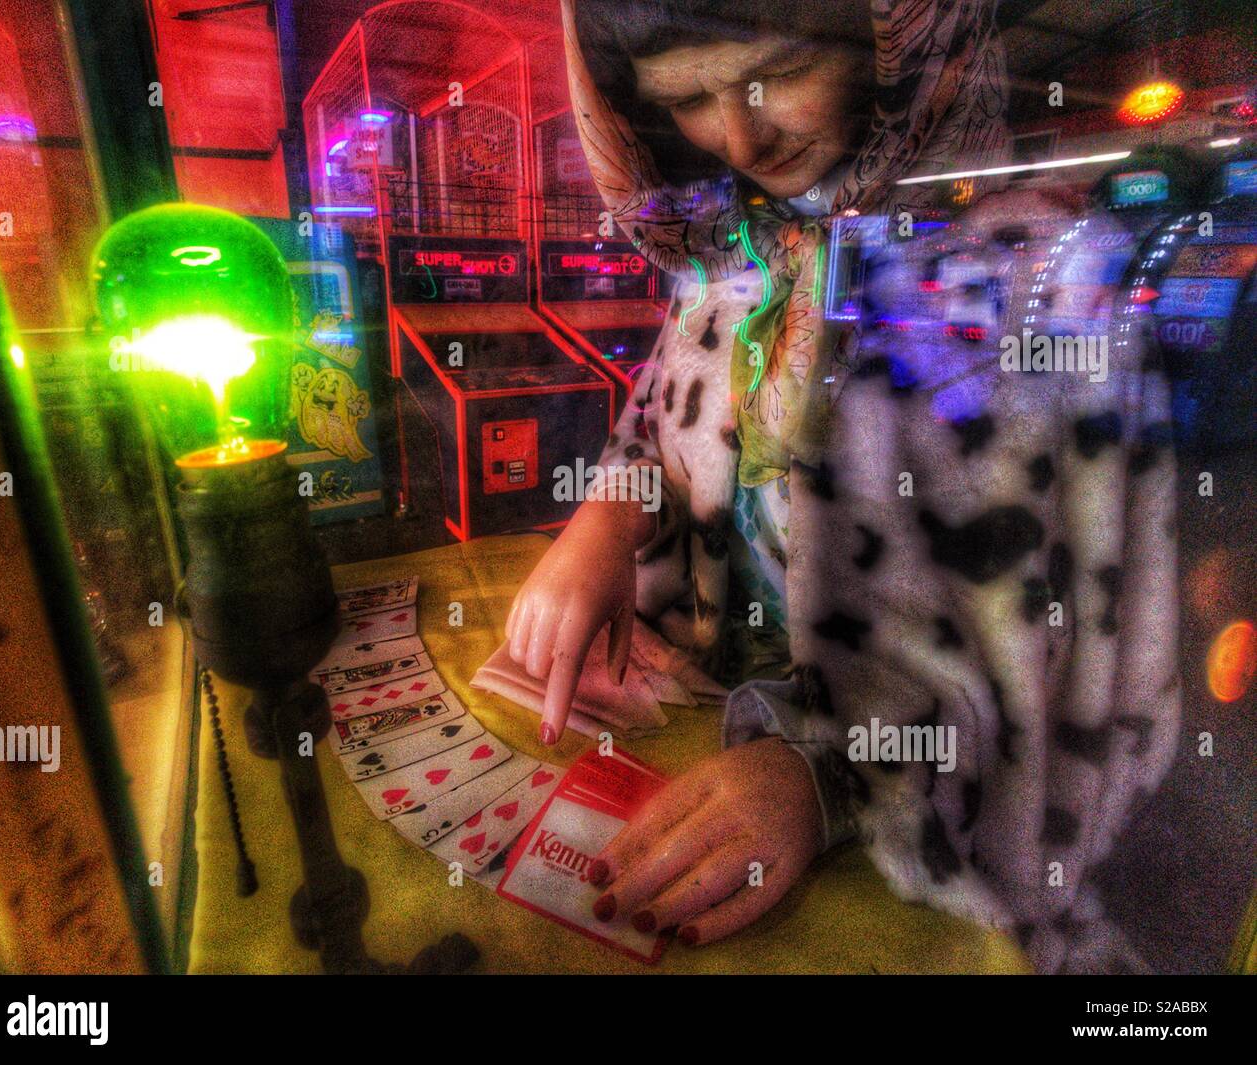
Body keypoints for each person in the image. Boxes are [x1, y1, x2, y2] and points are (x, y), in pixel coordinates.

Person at [505, 0, 1180, 972]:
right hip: (707, 752)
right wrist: (610, 516)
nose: (738, 134)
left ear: (899, 44)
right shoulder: (736, 250)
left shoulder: (1034, 282)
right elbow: (659, 419)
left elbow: (1053, 656)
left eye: (771, 72)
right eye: (686, 97)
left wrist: (825, 774)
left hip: (914, 858)